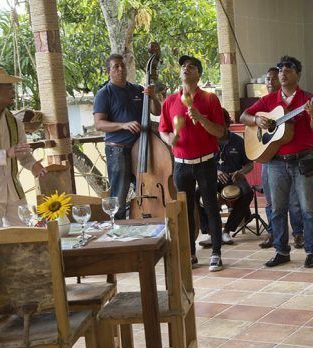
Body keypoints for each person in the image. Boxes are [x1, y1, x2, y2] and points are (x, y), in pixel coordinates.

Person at [240, 55, 313, 269]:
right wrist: (257, 119)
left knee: (308, 208)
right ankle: (281, 251)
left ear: (298, 74)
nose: (283, 73)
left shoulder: (308, 99)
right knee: (276, 208)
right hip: (275, 161)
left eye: (289, 69)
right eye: (281, 69)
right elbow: (244, 117)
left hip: (302, 159)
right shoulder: (268, 100)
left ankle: (312, 250)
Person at [159, 55, 226, 272]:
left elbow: (220, 132)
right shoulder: (169, 101)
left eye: (191, 66)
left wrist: (201, 118)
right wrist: (170, 140)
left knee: (211, 207)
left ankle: (216, 252)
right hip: (181, 164)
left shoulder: (210, 100)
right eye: (183, 67)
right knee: (185, 210)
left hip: (205, 162)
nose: (186, 69)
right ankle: (190, 253)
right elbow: (163, 129)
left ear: (199, 74)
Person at [93, 54, 161, 219]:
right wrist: (122, 125)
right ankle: (118, 230)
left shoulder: (138, 89)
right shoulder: (104, 93)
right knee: (120, 194)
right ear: (108, 71)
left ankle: (147, 224)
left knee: (147, 189)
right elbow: (99, 124)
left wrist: (152, 96)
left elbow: (156, 111)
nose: (120, 69)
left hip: (142, 149)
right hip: (118, 150)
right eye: (116, 66)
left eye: (122, 65)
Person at [0, 67, 46, 226]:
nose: (13, 91)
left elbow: (22, 154)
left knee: (24, 239)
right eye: (9, 87)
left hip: (14, 192)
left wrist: (33, 165)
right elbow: (10, 153)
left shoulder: (14, 121)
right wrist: (5, 153)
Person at [260, 67, 304, 249]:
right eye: (267, 79)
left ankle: (299, 234)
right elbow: (245, 117)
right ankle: (273, 233)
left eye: (273, 79)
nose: (270, 82)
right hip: (268, 156)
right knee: (271, 200)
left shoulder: (290, 102)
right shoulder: (263, 102)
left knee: (294, 200)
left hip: (289, 157)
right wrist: (257, 120)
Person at [199, 109, 254, 247]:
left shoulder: (238, 141)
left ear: (227, 124)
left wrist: (240, 172)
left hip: (235, 177)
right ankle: (211, 233)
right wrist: (216, 171)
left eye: (221, 123)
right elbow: (202, 163)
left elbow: (250, 165)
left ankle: (227, 230)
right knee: (196, 193)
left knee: (248, 193)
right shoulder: (207, 141)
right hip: (214, 178)